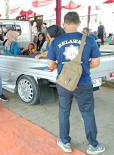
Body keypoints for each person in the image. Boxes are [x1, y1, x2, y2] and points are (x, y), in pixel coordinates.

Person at [48, 12, 105, 154]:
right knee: (87, 112)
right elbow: (96, 62)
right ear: (79, 23)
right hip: (84, 82)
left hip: (64, 82)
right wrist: (81, 68)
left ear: (64, 24)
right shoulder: (90, 39)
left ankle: (65, 142)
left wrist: (63, 66)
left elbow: (50, 64)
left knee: (64, 111)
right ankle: (93, 145)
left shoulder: (56, 41)